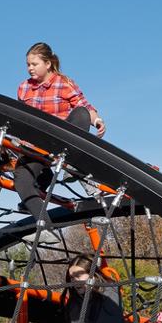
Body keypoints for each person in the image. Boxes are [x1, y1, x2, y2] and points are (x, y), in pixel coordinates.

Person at [12, 42, 104, 224]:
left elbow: (84, 106)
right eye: (28, 65)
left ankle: (73, 164)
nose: (30, 68)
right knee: (21, 179)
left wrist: (97, 120)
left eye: (34, 64)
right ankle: (44, 225)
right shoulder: (24, 87)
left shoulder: (63, 83)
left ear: (47, 64)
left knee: (81, 114)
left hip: (62, 140)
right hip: (37, 143)